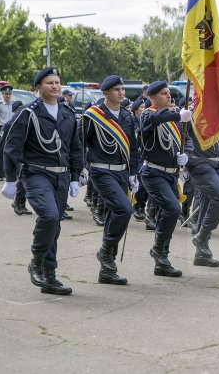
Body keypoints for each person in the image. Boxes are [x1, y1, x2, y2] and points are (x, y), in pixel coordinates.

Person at [0, 67, 83, 295]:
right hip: (36, 173)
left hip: (62, 175)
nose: (55, 86)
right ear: (39, 87)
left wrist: (75, 177)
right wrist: (9, 179)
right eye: (49, 83)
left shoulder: (68, 113)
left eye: (57, 82)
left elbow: (75, 148)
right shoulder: (28, 113)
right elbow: (12, 147)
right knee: (49, 216)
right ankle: (36, 260)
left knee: (54, 225)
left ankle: (50, 276)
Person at [81, 75, 139, 285]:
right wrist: (79, 169)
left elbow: (133, 147)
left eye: (123, 89)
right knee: (124, 209)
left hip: (122, 172)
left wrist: (133, 173)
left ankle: (107, 269)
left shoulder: (127, 117)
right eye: (116, 90)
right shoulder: (93, 116)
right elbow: (80, 144)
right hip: (101, 171)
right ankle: (106, 251)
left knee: (113, 216)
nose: (121, 93)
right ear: (105, 93)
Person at [138, 81, 193, 275]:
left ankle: (162, 257)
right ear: (151, 97)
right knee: (172, 208)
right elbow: (157, 117)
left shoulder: (174, 118)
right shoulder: (148, 115)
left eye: (169, 93)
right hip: (153, 173)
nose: (168, 96)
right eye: (163, 93)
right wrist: (178, 114)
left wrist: (184, 155)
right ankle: (159, 251)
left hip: (171, 174)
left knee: (168, 213)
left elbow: (184, 141)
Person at [185, 98, 219, 266]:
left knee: (206, 203)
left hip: (216, 163)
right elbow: (181, 137)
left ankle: (201, 253)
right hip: (200, 163)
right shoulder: (191, 114)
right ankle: (201, 237)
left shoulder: (215, 114)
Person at [0, 85, 15, 181]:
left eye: (9, 94)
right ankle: (0, 175)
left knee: (11, 151)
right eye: (6, 94)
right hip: (2, 129)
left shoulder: (14, 104)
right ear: (2, 94)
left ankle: (9, 173)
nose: (8, 96)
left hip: (12, 129)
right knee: (1, 152)